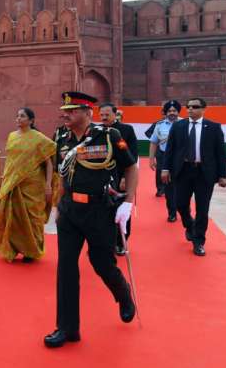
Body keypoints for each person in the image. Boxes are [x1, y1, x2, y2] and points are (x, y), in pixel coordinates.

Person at [45, 92, 138, 349]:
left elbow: (130, 167)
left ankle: (123, 294)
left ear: (88, 112)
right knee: (66, 267)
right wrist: (58, 206)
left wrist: (129, 202)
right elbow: (63, 175)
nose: (65, 114)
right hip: (70, 210)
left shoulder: (109, 136)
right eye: (64, 109)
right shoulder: (61, 137)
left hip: (99, 210)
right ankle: (67, 328)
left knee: (101, 263)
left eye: (71, 110)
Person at [160, 97, 226, 256]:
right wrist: (165, 168)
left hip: (204, 173)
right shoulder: (178, 126)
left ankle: (198, 241)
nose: (190, 109)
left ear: (204, 109)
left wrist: (224, 175)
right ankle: (189, 225)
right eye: (188, 106)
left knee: (202, 209)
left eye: (195, 107)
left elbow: (220, 152)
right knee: (180, 204)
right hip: (182, 170)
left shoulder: (213, 127)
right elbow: (170, 149)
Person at [0, 108, 56, 262]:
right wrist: (5, 180)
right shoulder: (12, 136)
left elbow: (49, 163)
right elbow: (10, 160)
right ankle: (12, 249)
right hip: (13, 182)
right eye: (17, 116)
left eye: (22, 116)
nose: (18, 119)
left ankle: (31, 251)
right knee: (12, 217)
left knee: (32, 218)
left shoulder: (39, 138)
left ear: (31, 120)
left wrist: (48, 185)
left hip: (33, 185)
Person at [98, 103, 139, 256]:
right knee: (104, 211)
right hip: (102, 178)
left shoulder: (124, 131)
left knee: (121, 210)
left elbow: (131, 155)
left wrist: (124, 178)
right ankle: (108, 242)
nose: (104, 117)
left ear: (115, 114)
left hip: (121, 176)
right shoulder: (97, 131)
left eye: (107, 114)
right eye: (101, 114)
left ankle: (121, 242)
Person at [150, 100, 181, 222]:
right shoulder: (159, 125)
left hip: (181, 159)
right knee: (169, 187)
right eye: (169, 111)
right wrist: (151, 159)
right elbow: (153, 142)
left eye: (174, 110)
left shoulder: (185, 123)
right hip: (164, 158)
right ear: (166, 112)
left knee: (182, 186)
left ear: (178, 112)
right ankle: (172, 212)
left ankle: (184, 209)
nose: (172, 113)